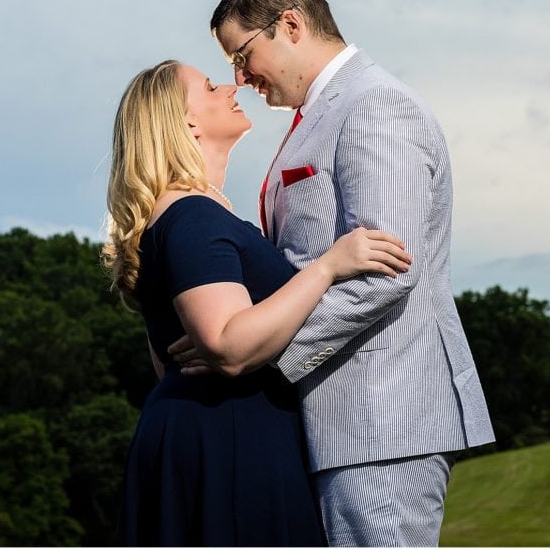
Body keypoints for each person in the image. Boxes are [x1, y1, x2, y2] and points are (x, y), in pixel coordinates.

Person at [176, 0, 498, 546]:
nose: (241, 77)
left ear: (290, 25)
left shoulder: (376, 107)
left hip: (384, 417)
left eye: (242, 54)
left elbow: (385, 272)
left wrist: (256, 351)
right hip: (339, 419)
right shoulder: (321, 115)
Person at [103, 59, 413, 546]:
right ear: (186, 122)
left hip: (210, 433)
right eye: (208, 86)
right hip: (230, 443)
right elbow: (228, 346)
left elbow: (170, 364)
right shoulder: (192, 216)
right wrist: (328, 266)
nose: (230, 87)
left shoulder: (184, 215)